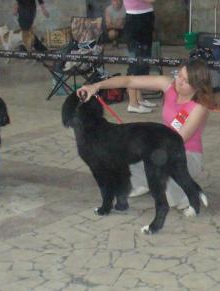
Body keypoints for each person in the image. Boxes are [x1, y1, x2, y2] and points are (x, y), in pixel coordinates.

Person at [77, 58, 213, 211]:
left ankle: (186, 193)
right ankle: (147, 182)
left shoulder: (199, 107)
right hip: (160, 144)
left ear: (197, 85)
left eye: (186, 81)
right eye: (179, 75)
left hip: (184, 153)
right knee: (120, 156)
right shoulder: (168, 84)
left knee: (158, 167)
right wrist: (96, 86)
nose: (179, 81)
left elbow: (178, 140)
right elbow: (129, 81)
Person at [120, 0, 157, 114]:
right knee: (135, 63)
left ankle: (139, 98)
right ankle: (133, 103)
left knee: (142, 62)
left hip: (142, 23)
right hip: (136, 24)